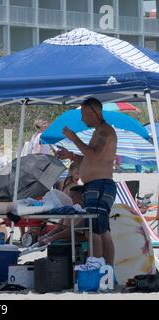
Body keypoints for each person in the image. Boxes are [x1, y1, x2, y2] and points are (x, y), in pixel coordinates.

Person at [56, 97, 117, 266]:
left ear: (93, 113)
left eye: (84, 115)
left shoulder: (105, 132)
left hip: (100, 185)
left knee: (95, 229)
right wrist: (71, 155)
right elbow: (91, 159)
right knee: (100, 229)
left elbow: (95, 155)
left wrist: (74, 138)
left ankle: (96, 268)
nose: (82, 119)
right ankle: (105, 270)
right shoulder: (99, 131)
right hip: (97, 185)